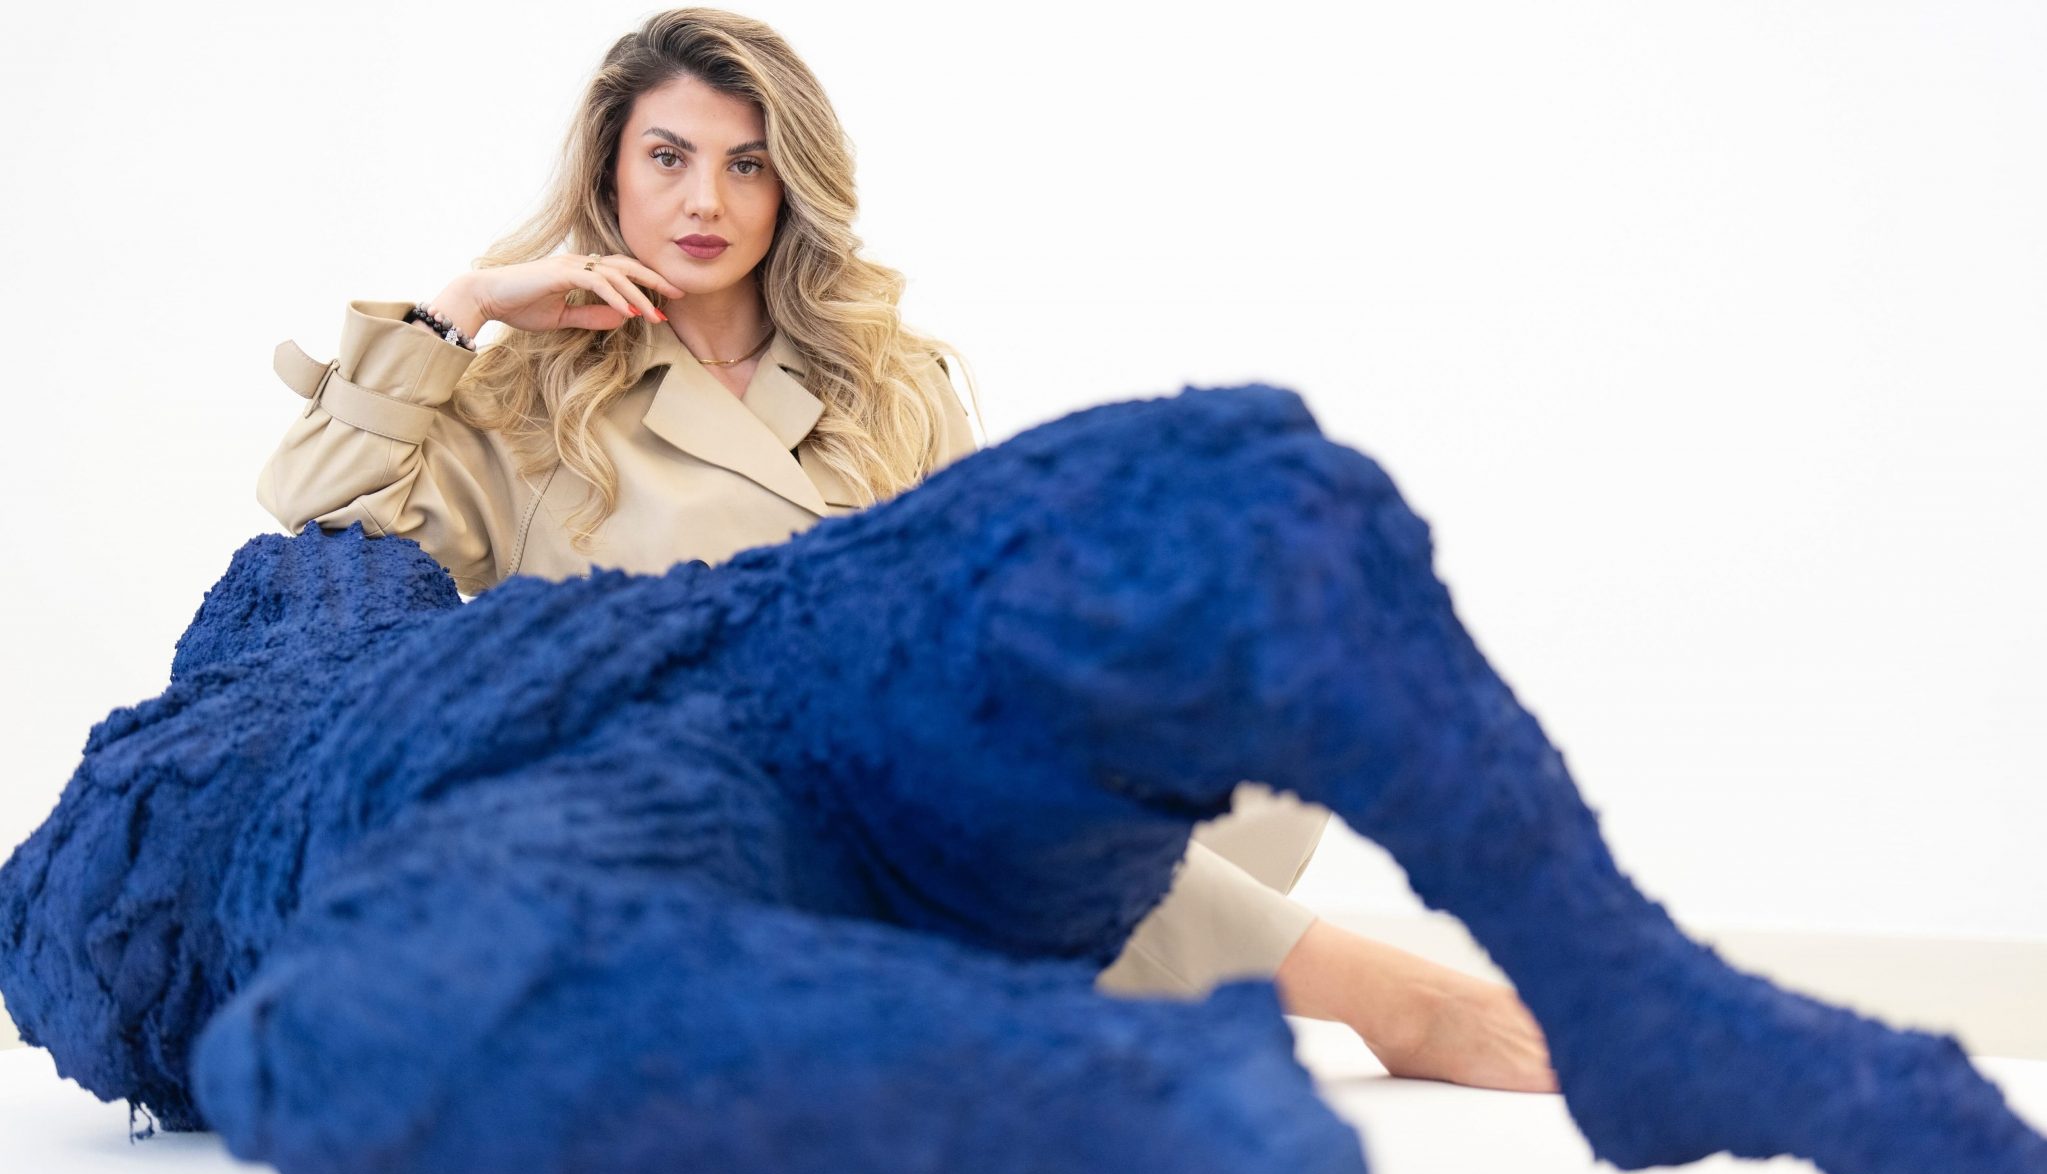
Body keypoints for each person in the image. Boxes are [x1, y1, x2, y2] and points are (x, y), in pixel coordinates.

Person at [253, 6, 1553, 1092]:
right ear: (609, 177)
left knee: (1256, 755)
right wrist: (466, 305)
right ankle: (1389, 1000)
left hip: (924, 786)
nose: (705, 199)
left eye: (747, 164)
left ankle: (996, 984)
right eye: (668, 158)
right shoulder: (521, 403)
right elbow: (315, 502)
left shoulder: (890, 379)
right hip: (712, 828)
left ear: (791, 184)